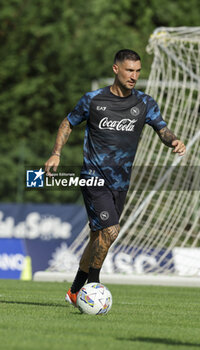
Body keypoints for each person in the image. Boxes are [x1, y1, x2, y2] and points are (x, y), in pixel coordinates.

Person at [45, 49, 186, 307]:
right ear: (115, 69)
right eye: (129, 70)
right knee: (110, 231)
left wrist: (174, 141)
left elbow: (162, 129)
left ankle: (75, 291)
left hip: (121, 183)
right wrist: (56, 153)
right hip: (93, 176)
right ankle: (93, 289)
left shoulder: (145, 103)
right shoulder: (94, 100)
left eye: (137, 71)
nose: (134, 76)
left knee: (98, 237)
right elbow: (67, 123)